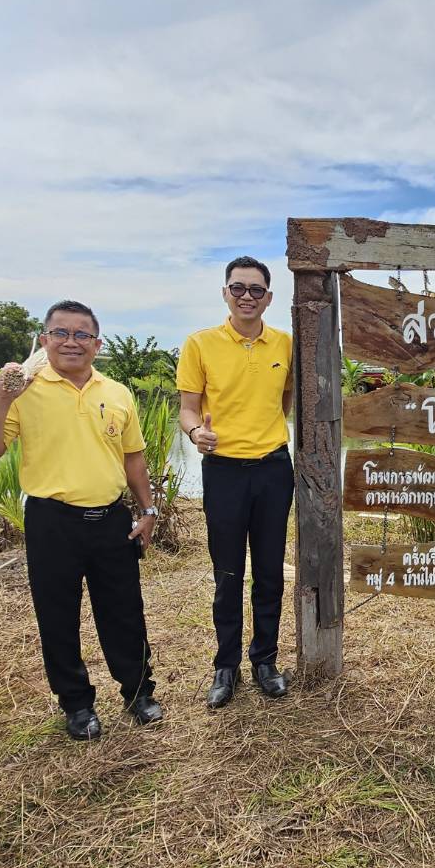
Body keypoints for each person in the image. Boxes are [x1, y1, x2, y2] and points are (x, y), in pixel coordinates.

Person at [0, 300, 162, 740]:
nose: (71, 342)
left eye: (81, 335)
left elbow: (134, 455)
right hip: (51, 521)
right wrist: (1, 400)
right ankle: (76, 704)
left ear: (97, 343)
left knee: (125, 613)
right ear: (44, 340)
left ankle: (138, 692)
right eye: (61, 333)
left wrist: (147, 509)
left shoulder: (116, 392)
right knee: (57, 616)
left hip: (110, 518)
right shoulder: (25, 391)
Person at [177, 256, 294, 710]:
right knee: (227, 574)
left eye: (256, 290)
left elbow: (285, 400)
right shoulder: (200, 344)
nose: (248, 296)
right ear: (225, 292)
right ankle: (225, 666)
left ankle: (265, 660)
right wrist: (195, 433)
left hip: (272, 469)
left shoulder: (284, 344)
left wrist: (263, 434)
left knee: (269, 572)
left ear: (269, 297)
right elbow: (188, 408)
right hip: (222, 470)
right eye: (238, 288)